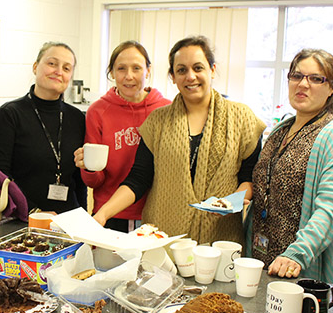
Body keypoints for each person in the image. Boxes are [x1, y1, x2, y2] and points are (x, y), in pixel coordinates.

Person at [92, 36, 265, 245]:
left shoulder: (242, 118)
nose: (190, 76)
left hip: (221, 239)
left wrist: (231, 202)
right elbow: (138, 179)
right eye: (182, 70)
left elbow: (250, 177)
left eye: (198, 68)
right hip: (164, 239)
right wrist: (103, 214)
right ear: (172, 76)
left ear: (212, 70)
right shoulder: (157, 122)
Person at [251, 49, 333, 285]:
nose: (303, 84)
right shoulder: (280, 130)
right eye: (297, 76)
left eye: (316, 78)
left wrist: (296, 254)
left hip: (301, 268)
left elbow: (331, 209)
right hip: (263, 259)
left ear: (332, 88)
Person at [73, 41, 171, 232]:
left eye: (136, 68)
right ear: (111, 73)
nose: (129, 76)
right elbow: (94, 182)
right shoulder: (98, 111)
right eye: (121, 69)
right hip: (109, 214)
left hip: (154, 214)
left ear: (148, 71)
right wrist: (88, 167)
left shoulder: (166, 109)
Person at [0, 42, 86, 213]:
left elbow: (80, 179)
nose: (58, 72)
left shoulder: (77, 118)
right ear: (35, 67)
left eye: (66, 68)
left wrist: (84, 217)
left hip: (68, 220)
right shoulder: (10, 115)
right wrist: (33, 212)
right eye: (52, 63)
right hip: (22, 219)